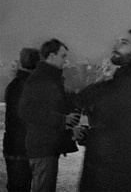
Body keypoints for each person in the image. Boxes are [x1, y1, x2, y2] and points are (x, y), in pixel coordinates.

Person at [76, 29, 131, 191]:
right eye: (117, 41)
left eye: (124, 43)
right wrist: (101, 81)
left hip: (114, 172)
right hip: (112, 166)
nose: (116, 45)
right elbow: (82, 102)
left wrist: (91, 131)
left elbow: (100, 113)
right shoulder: (122, 77)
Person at [18, 39, 79, 192]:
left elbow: (53, 106)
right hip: (42, 147)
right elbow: (27, 111)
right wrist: (63, 119)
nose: (66, 60)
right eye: (63, 56)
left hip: (47, 145)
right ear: (52, 56)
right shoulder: (41, 79)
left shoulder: (50, 78)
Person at [3, 48, 40, 192]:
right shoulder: (31, 87)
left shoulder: (15, 85)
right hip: (25, 147)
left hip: (14, 146)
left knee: (16, 186)